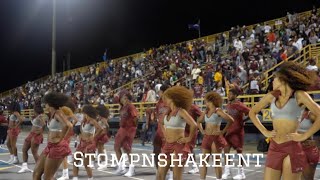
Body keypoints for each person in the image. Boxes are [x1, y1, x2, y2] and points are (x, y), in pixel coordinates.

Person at [249, 61, 320, 180]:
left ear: (283, 79)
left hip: (292, 146)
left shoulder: (299, 95)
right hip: (274, 146)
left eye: (274, 79)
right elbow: (252, 112)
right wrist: (265, 132)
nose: (272, 82)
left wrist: (304, 136)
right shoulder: (271, 96)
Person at [157, 86, 198, 180]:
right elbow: (160, 122)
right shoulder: (167, 112)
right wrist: (164, 134)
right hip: (167, 145)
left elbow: (194, 125)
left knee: (176, 177)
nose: (164, 99)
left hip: (178, 145)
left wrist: (188, 138)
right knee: (159, 175)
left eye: (166, 97)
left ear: (172, 98)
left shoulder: (181, 111)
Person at [33, 92, 73, 180]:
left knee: (48, 177)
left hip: (57, 147)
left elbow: (68, 125)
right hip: (49, 146)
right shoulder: (53, 114)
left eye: (46, 103)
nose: (45, 105)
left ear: (50, 103)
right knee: (36, 174)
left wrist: (61, 139)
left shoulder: (58, 113)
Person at [198, 92, 234, 180]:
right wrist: (202, 130)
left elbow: (231, 120)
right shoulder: (205, 112)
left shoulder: (218, 111)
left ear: (212, 101)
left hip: (215, 138)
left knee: (216, 162)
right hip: (207, 137)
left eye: (206, 101)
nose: (205, 103)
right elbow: (198, 121)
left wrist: (223, 131)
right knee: (203, 162)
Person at [222, 88, 250, 180]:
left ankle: (241, 173)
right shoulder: (228, 105)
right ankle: (227, 171)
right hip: (229, 131)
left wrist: (243, 121)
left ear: (235, 95)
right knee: (226, 151)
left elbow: (251, 113)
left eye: (230, 94)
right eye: (228, 94)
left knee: (239, 152)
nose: (228, 96)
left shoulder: (240, 105)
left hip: (238, 132)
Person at [72, 105, 102, 180]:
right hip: (82, 143)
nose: (83, 114)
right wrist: (81, 136)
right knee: (75, 160)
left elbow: (100, 129)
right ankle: (75, 178)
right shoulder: (83, 121)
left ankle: (90, 178)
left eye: (84, 112)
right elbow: (82, 131)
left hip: (89, 144)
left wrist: (93, 136)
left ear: (87, 112)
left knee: (86, 164)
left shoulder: (92, 120)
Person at [114, 90, 139, 177]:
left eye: (124, 97)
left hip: (129, 128)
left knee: (127, 148)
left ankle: (131, 169)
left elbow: (135, 118)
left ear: (127, 98)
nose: (122, 99)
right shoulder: (122, 107)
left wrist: (133, 128)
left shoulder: (130, 106)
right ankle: (121, 167)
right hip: (123, 129)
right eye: (121, 98)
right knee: (117, 146)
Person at [18, 105, 47, 173]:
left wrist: (40, 131)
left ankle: (40, 168)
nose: (33, 111)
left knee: (34, 152)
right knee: (24, 149)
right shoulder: (37, 116)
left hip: (36, 135)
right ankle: (25, 166)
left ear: (37, 111)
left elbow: (44, 124)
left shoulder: (40, 116)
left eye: (34, 110)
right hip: (31, 134)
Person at [57, 100, 78, 180]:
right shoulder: (62, 110)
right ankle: (65, 172)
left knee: (63, 152)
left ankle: (65, 174)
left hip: (67, 131)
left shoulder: (66, 111)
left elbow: (75, 119)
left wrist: (70, 124)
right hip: (64, 131)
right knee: (62, 151)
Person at [153, 84, 170, 178]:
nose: (158, 93)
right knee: (156, 151)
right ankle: (158, 170)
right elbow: (157, 114)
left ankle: (170, 173)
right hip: (159, 131)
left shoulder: (171, 102)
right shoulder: (158, 103)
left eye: (159, 91)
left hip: (168, 131)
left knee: (168, 154)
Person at [298, 108, 319, 180]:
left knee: (308, 177)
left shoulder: (312, 114)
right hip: (295, 148)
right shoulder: (292, 112)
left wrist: (317, 142)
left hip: (308, 149)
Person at [186, 104, 202, 174]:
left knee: (189, 149)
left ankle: (195, 166)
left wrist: (198, 125)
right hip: (183, 130)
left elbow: (201, 116)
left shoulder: (194, 107)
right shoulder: (181, 106)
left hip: (192, 131)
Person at [95, 104, 110, 171]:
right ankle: (102, 162)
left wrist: (105, 131)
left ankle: (104, 163)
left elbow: (107, 126)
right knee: (100, 149)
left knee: (100, 149)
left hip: (102, 134)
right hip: (99, 134)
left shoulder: (103, 118)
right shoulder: (100, 117)